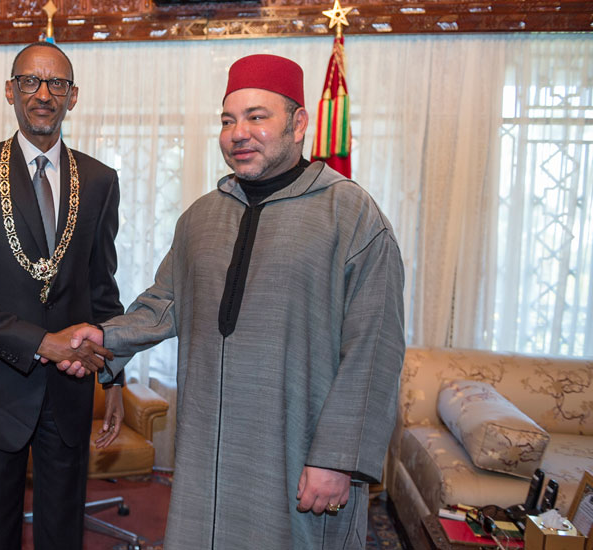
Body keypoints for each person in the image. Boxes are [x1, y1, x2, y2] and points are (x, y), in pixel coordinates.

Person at [63, 54, 406, 549]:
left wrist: (336, 459)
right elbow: (167, 301)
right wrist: (105, 335)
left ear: (299, 124)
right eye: (227, 121)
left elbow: (375, 349)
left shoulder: (351, 214)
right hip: (206, 456)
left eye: (256, 117)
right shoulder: (201, 217)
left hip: (298, 456)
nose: (238, 133)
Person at [0, 42, 124, 550]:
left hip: (71, 389)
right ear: (10, 91)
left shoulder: (100, 181)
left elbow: (103, 290)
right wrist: (41, 343)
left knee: (63, 536)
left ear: (72, 96)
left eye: (56, 83)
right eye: (30, 81)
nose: (43, 94)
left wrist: (114, 378)